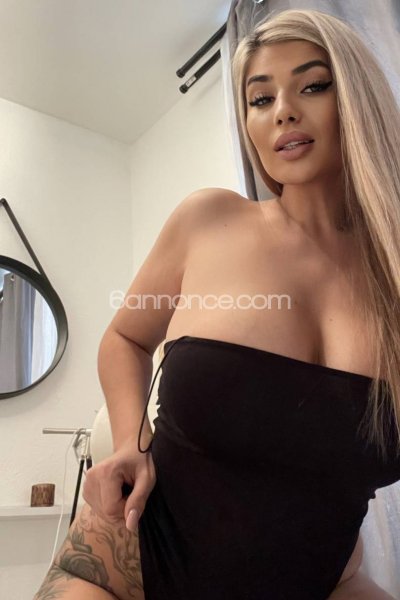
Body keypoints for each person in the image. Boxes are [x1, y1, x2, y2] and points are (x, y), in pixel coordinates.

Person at [34, 8, 400, 600]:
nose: (283, 111)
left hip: (324, 582)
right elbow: (124, 338)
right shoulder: (208, 221)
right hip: (128, 571)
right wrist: (130, 442)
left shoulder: (394, 278)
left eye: (312, 86)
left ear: (358, 101)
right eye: (260, 99)